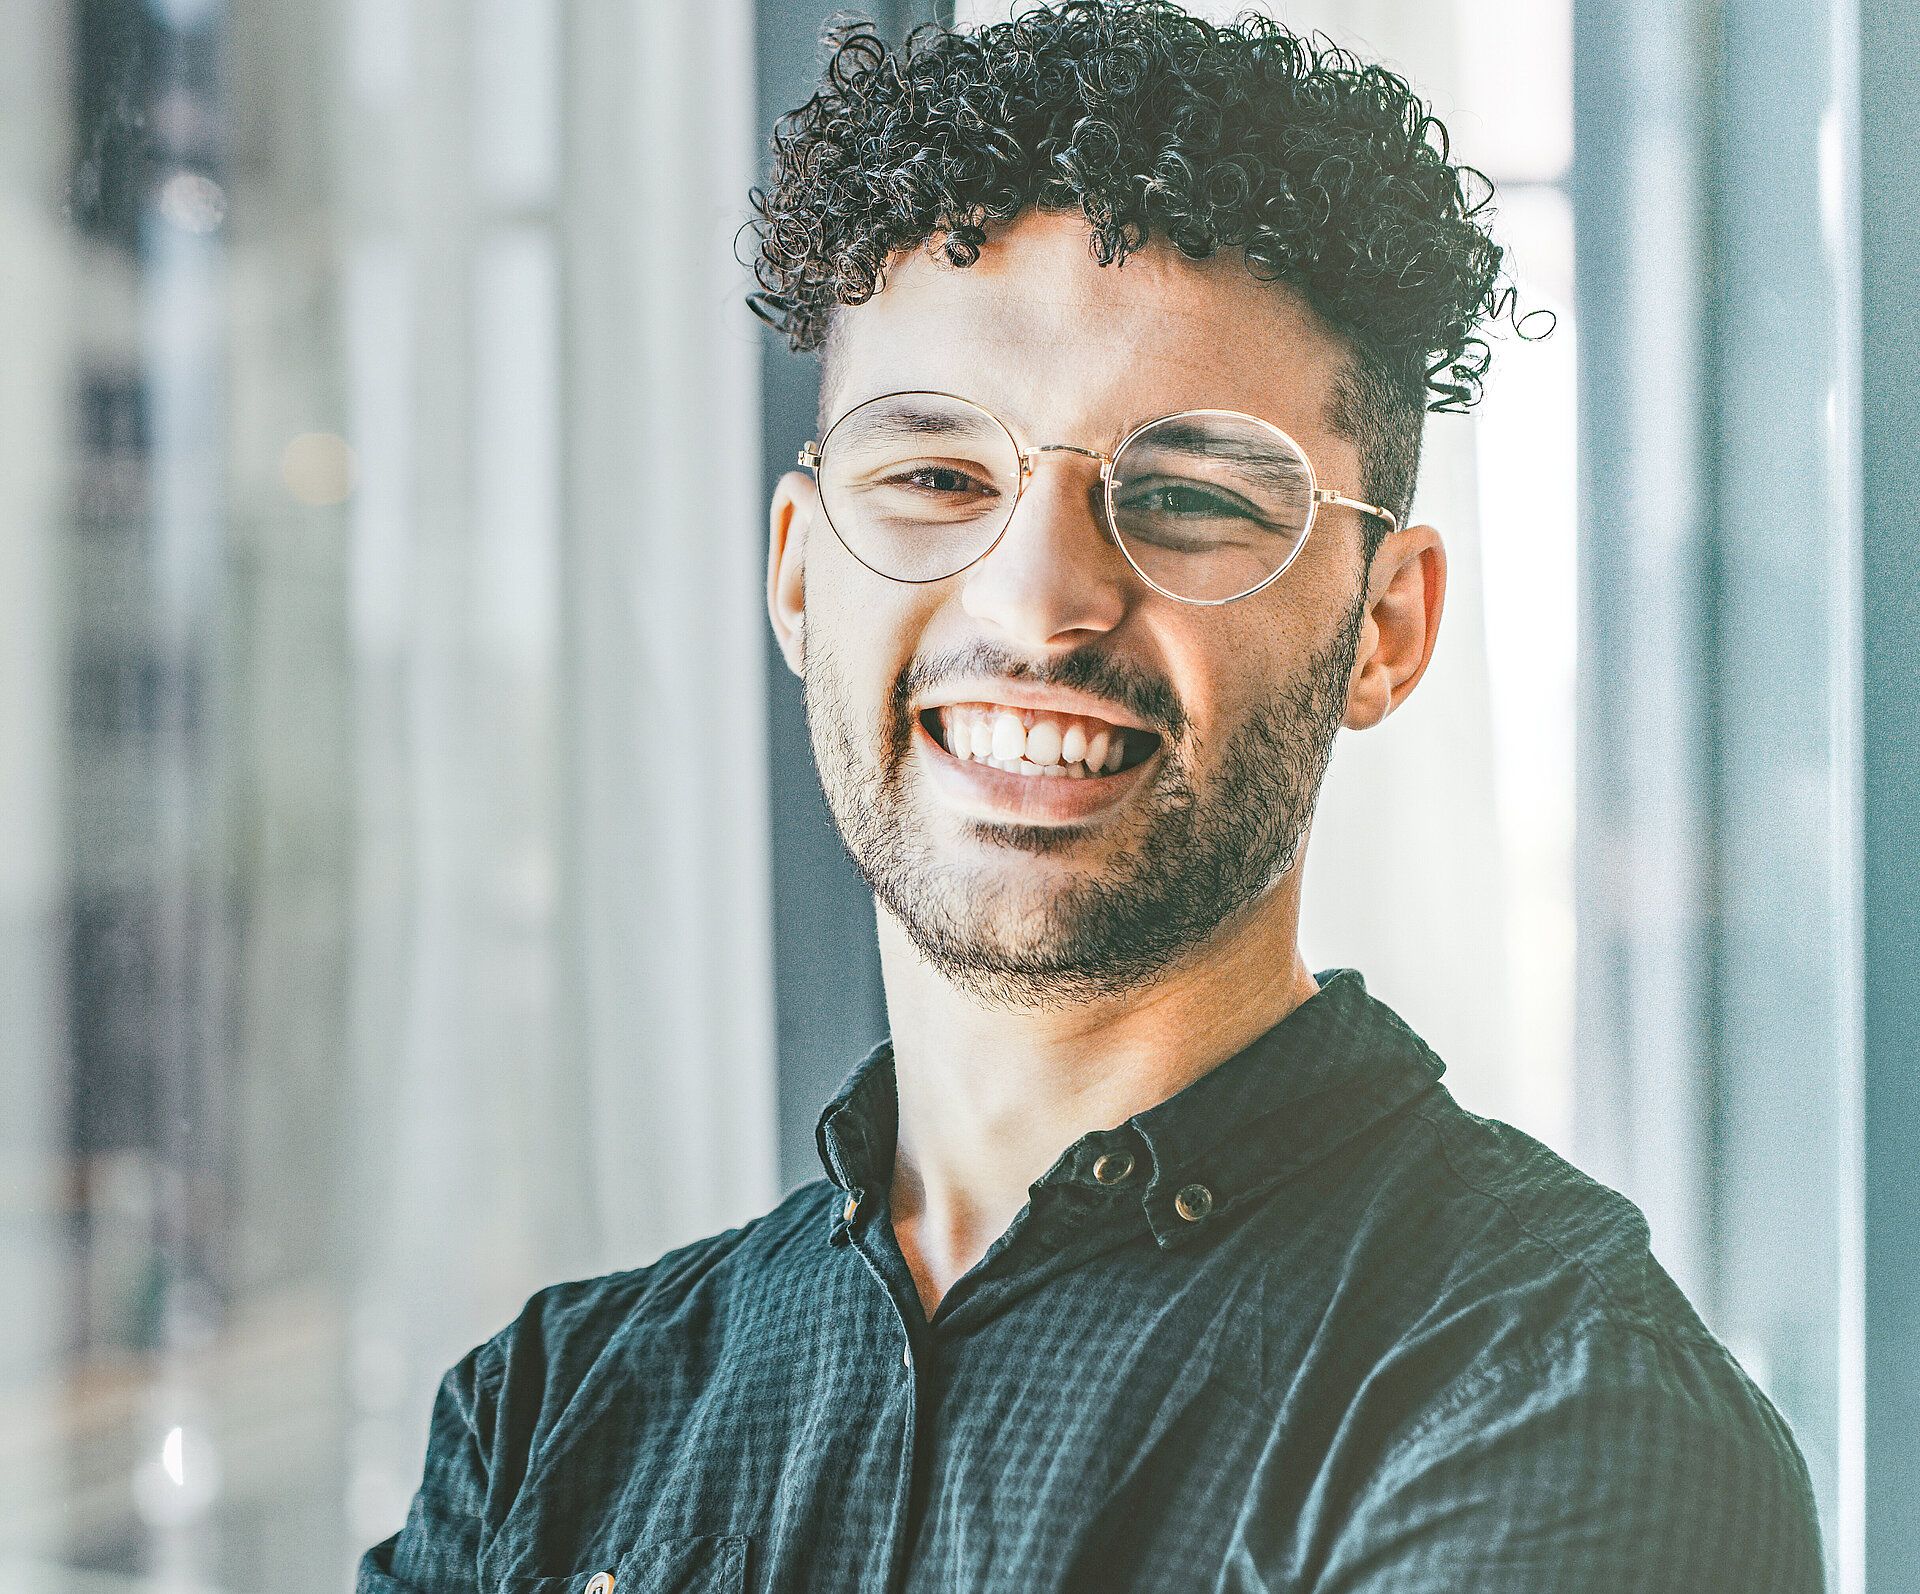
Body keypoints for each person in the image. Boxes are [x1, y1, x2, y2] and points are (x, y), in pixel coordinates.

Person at [360, 4, 1824, 1590]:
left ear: (1384, 628)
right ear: (796, 575)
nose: (1041, 600)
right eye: (936, 476)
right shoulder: (546, 1424)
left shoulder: (1558, 1410)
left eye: (1190, 495)